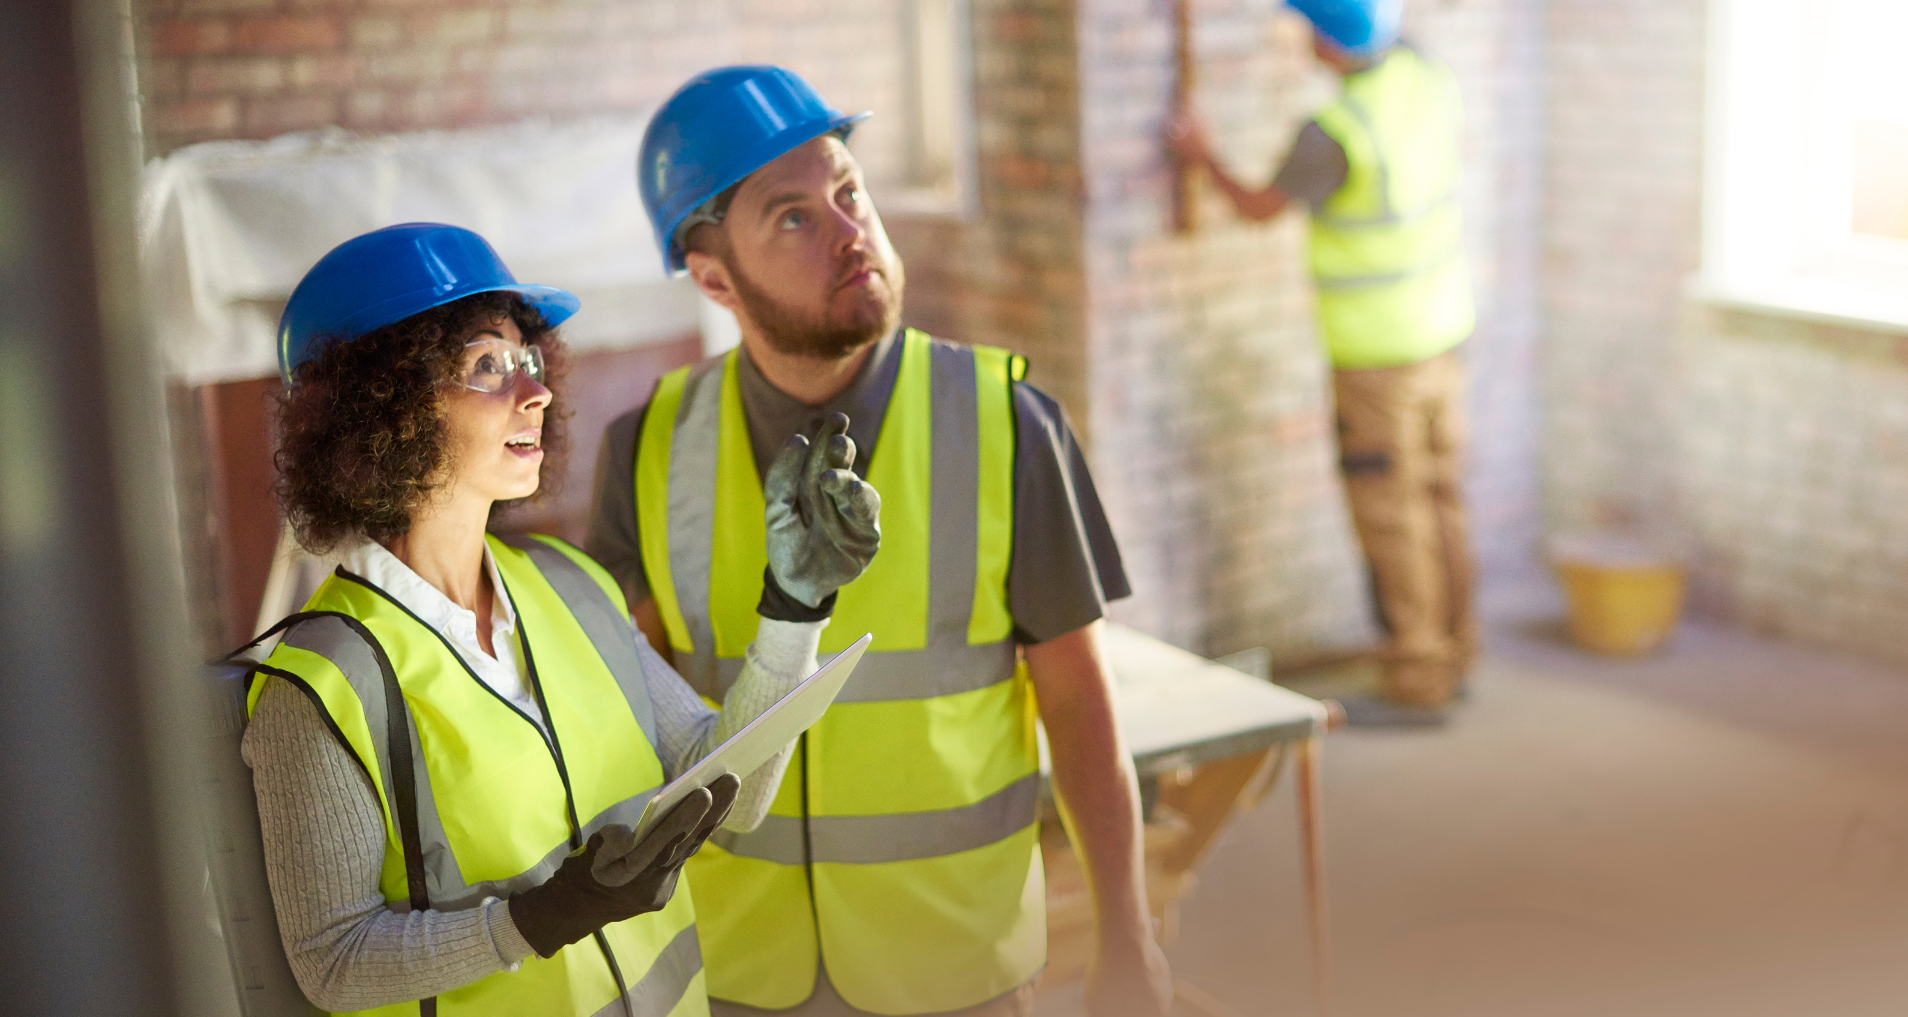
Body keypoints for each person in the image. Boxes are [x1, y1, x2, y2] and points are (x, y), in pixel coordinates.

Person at [586, 67, 1172, 1017]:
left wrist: (1127, 933)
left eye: (848, 191)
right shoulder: (643, 451)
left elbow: (1078, 700)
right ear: (713, 279)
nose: (849, 232)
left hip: (957, 970)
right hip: (737, 972)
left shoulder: (1007, 423)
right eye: (793, 218)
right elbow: (633, 729)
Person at [242, 221, 880, 1016]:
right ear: (384, 408)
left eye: (528, 359)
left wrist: (793, 607)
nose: (535, 390)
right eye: (487, 366)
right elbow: (333, 964)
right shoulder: (321, 688)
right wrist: (531, 922)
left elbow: (730, 797)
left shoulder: (570, 586)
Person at [1170, 0, 1478, 717]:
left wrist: (1201, 154)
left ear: (1332, 43)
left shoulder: (1334, 133)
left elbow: (1257, 206)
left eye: (1310, 25)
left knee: (1392, 515)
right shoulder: (1426, 76)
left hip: (1377, 353)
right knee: (1440, 500)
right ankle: (1456, 650)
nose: (1301, 35)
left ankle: (1418, 680)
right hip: (1443, 329)